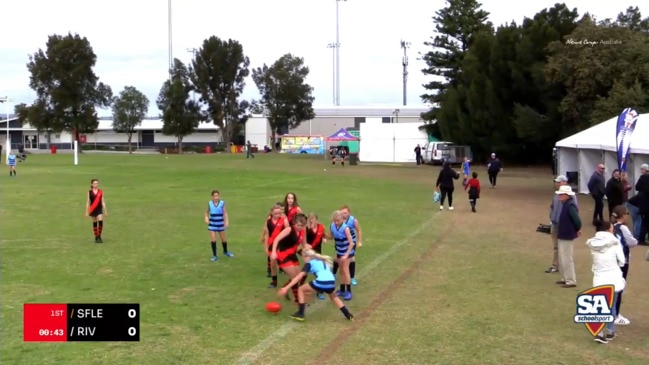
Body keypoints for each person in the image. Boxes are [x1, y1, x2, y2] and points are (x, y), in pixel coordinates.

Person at [278, 248, 354, 322]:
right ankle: (348, 314)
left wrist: (286, 288)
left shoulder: (309, 263)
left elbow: (298, 277)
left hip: (321, 281)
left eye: (303, 257)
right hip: (331, 282)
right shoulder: (323, 261)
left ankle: (300, 314)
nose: (303, 259)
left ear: (307, 257)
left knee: (301, 289)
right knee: (334, 297)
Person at [585, 220, 626, 344]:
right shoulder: (615, 243)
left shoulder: (593, 243)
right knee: (611, 305)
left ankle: (599, 332)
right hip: (613, 276)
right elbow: (622, 260)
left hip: (599, 277)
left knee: (599, 304)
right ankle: (610, 331)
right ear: (609, 229)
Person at [271, 213, 308, 304]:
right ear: (294, 223)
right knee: (294, 277)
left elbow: (304, 245)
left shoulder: (303, 231)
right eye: (298, 225)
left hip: (292, 255)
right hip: (283, 255)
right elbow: (276, 239)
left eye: (302, 226)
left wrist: (307, 253)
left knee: (300, 275)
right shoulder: (289, 229)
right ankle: (298, 300)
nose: (299, 227)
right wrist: (273, 252)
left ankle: (285, 288)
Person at [611, 205, 638, 326]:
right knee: (619, 287)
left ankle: (613, 312)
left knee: (612, 286)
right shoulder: (623, 228)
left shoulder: (611, 227)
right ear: (623, 215)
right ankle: (615, 314)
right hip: (622, 261)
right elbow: (632, 242)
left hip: (612, 260)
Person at [546, 175, 579, 273]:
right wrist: (551, 217)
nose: (557, 184)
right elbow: (552, 206)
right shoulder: (557, 194)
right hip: (555, 224)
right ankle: (555, 265)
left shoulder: (571, 197)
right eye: (556, 182)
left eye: (559, 182)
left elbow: (575, 211)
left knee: (564, 248)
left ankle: (564, 267)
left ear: (564, 182)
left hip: (563, 225)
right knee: (556, 246)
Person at [554, 185, 581, 288]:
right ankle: (565, 278)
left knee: (567, 258)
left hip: (567, 235)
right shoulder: (566, 204)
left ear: (567, 195)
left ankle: (570, 280)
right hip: (563, 234)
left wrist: (577, 229)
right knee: (562, 257)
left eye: (562, 194)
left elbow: (577, 221)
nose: (560, 196)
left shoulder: (570, 206)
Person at [327, 210, 355, 301]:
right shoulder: (332, 226)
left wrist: (346, 255)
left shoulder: (346, 228)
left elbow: (351, 243)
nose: (336, 222)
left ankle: (349, 291)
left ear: (342, 219)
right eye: (335, 220)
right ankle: (342, 290)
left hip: (347, 252)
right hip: (339, 251)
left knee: (345, 270)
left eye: (338, 220)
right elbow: (331, 237)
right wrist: (324, 236)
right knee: (341, 271)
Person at [262, 204, 289, 284]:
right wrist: (266, 247)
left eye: (279, 213)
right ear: (271, 213)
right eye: (275, 213)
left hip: (281, 244)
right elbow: (267, 234)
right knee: (273, 263)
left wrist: (286, 220)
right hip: (271, 244)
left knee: (283, 262)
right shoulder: (268, 222)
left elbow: (288, 230)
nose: (277, 215)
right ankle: (274, 282)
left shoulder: (283, 220)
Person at [204, 190, 232, 261]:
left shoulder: (222, 203)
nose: (216, 197)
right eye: (215, 196)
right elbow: (206, 212)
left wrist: (227, 221)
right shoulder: (210, 203)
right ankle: (214, 255)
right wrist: (206, 218)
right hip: (212, 224)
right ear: (212, 197)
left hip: (220, 224)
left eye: (217, 196)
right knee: (213, 240)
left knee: (223, 239)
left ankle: (225, 251)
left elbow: (225, 212)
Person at [304, 213, 327, 299]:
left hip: (318, 252)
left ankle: (320, 290)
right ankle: (299, 286)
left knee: (318, 271)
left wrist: (324, 238)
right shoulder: (306, 229)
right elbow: (303, 240)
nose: (311, 220)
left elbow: (323, 235)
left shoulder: (321, 227)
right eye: (310, 218)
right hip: (310, 252)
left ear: (316, 220)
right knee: (310, 270)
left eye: (313, 218)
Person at [341, 206, 363, 286]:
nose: (344, 215)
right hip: (341, 243)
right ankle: (336, 274)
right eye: (342, 213)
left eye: (345, 213)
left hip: (351, 243)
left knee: (351, 259)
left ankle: (352, 277)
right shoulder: (338, 220)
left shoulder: (353, 220)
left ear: (349, 213)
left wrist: (359, 241)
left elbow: (359, 230)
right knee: (338, 258)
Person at [85, 179, 108, 243]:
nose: (96, 185)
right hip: (93, 209)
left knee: (100, 220)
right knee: (95, 223)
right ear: (92, 184)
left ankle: (99, 236)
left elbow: (103, 201)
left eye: (97, 183)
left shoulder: (101, 192)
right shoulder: (89, 192)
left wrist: (105, 210)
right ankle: (96, 236)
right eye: (94, 183)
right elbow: (88, 202)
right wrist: (86, 212)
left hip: (99, 209)